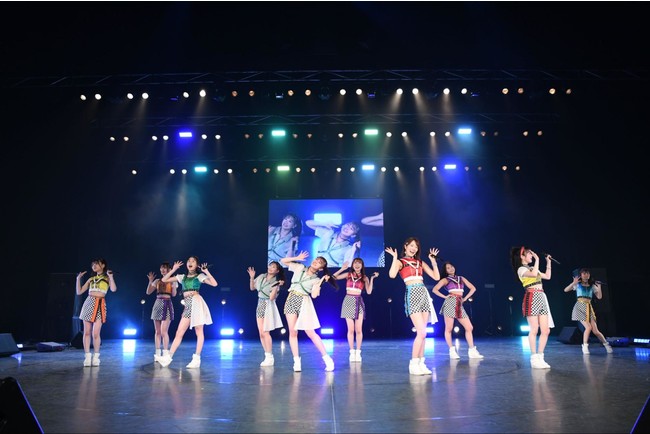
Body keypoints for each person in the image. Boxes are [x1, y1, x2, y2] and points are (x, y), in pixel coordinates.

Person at [385, 237, 441, 375]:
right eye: (411, 245)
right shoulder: (401, 262)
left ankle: (421, 363)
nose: (414, 248)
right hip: (412, 294)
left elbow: (436, 277)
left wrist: (433, 261)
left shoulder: (420, 262)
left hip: (424, 294)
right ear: (405, 246)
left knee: (424, 333)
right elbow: (392, 275)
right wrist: (395, 258)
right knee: (421, 332)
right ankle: (413, 363)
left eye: (416, 246)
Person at [281, 250, 338, 372]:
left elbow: (314, 295)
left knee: (310, 332)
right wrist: (297, 257)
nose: (316, 262)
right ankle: (296, 361)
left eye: (319, 263)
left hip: (304, 302)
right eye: (316, 260)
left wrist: (321, 282)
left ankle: (327, 359)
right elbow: (283, 261)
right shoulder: (300, 267)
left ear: (321, 268)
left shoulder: (316, 279)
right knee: (293, 332)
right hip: (291, 299)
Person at [158, 256, 218, 368]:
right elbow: (164, 280)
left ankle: (196, 359)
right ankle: (168, 357)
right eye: (189, 261)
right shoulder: (182, 277)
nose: (190, 262)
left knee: (199, 331)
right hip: (187, 304)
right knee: (179, 332)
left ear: (196, 265)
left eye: (193, 261)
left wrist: (206, 271)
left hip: (196, 302)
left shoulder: (199, 276)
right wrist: (173, 269)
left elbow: (214, 284)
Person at [510, 246, 554, 369]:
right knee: (534, 329)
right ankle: (534, 358)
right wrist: (538, 260)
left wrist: (548, 262)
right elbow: (534, 274)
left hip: (541, 296)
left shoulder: (531, 268)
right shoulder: (521, 269)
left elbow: (547, 276)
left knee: (546, 330)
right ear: (522, 256)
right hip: (531, 297)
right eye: (529, 253)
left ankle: (540, 356)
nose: (531, 255)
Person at [431, 261, 484, 360]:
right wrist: (445, 296)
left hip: (459, 303)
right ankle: (452, 350)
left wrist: (465, 298)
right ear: (445, 271)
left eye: (451, 266)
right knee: (449, 328)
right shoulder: (445, 280)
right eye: (448, 268)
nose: (451, 269)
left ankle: (472, 351)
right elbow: (435, 289)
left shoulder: (461, 278)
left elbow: (473, 288)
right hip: (450, 302)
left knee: (469, 327)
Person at [332, 258, 378, 363]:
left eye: (359, 263)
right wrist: (342, 268)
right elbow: (333, 278)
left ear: (362, 266)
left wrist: (372, 278)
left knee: (358, 330)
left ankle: (358, 352)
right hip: (348, 301)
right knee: (350, 330)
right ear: (352, 265)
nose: (357, 265)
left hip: (358, 301)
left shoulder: (364, 277)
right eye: (355, 263)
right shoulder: (348, 275)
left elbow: (369, 291)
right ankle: (352, 352)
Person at [76, 258, 117, 367]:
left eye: (96, 264)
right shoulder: (91, 279)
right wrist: (78, 279)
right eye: (93, 264)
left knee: (95, 333)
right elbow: (79, 291)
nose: (94, 266)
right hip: (89, 303)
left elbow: (113, 289)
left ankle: (96, 357)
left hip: (100, 304)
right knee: (86, 332)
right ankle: (87, 356)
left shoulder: (107, 278)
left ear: (103, 265)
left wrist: (111, 277)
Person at [563, 268, 613, 355]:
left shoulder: (592, 286)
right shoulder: (578, 285)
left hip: (589, 307)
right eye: (584, 274)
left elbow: (599, 297)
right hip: (580, 306)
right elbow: (566, 290)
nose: (586, 275)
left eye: (587, 274)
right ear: (581, 275)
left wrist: (599, 287)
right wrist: (573, 283)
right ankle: (585, 345)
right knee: (588, 327)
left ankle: (606, 344)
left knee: (596, 331)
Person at [247, 261, 286, 366]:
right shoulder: (261, 276)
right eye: (270, 266)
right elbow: (252, 288)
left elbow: (272, 298)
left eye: (273, 267)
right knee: (261, 332)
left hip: (268, 305)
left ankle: (269, 356)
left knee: (265, 332)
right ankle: (267, 355)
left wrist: (276, 287)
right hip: (260, 303)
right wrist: (252, 277)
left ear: (277, 271)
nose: (270, 268)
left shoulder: (276, 282)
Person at [146, 262, 178, 364]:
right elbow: (148, 292)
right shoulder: (157, 281)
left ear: (169, 270)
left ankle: (165, 353)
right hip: (157, 304)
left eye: (165, 268)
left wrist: (174, 284)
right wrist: (150, 281)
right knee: (157, 331)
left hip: (167, 304)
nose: (163, 270)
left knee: (164, 331)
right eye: (161, 268)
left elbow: (174, 294)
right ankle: (157, 353)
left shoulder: (172, 280)